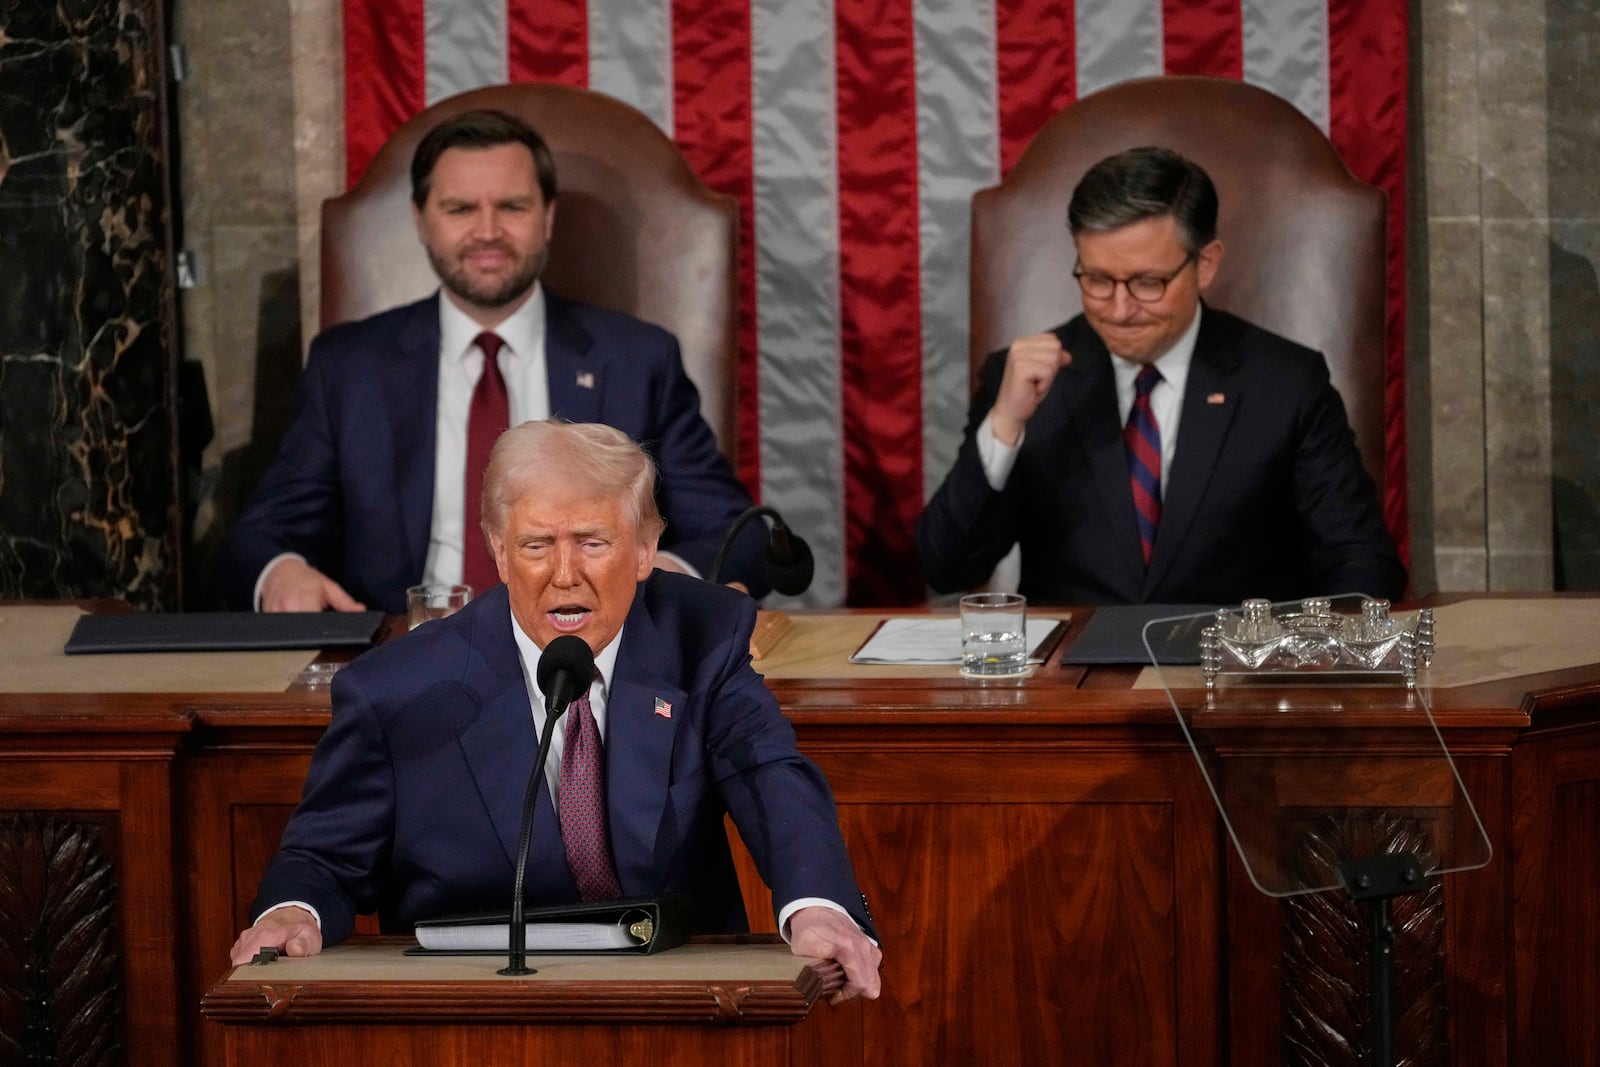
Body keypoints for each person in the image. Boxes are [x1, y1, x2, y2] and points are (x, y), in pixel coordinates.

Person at [229, 420, 881, 1003]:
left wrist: (818, 904)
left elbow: (771, 775)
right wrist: (295, 909)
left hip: (679, 1005)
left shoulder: (700, 636)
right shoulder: (398, 688)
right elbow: (323, 858)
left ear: (647, 548)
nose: (564, 574)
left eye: (594, 542)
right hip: (468, 1019)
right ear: (499, 550)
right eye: (537, 544)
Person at [217, 108, 766, 614]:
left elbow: (736, 533)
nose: (487, 232)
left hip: (586, 652)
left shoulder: (636, 360)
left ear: (547, 217)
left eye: (512, 207)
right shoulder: (349, 367)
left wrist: (663, 574)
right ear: (421, 219)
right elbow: (261, 536)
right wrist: (283, 573)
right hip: (406, 663)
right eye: (459, 209)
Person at [918, 146, 1406, 605]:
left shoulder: (1285, 382)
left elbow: (1362, 566)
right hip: (1074, 684)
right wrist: (1004, 425)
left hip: (1232, 678)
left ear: (1205, 265)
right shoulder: (1025, 381)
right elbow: (947, 568)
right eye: (1098, 280)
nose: (1120, 309)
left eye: (1148, 282)